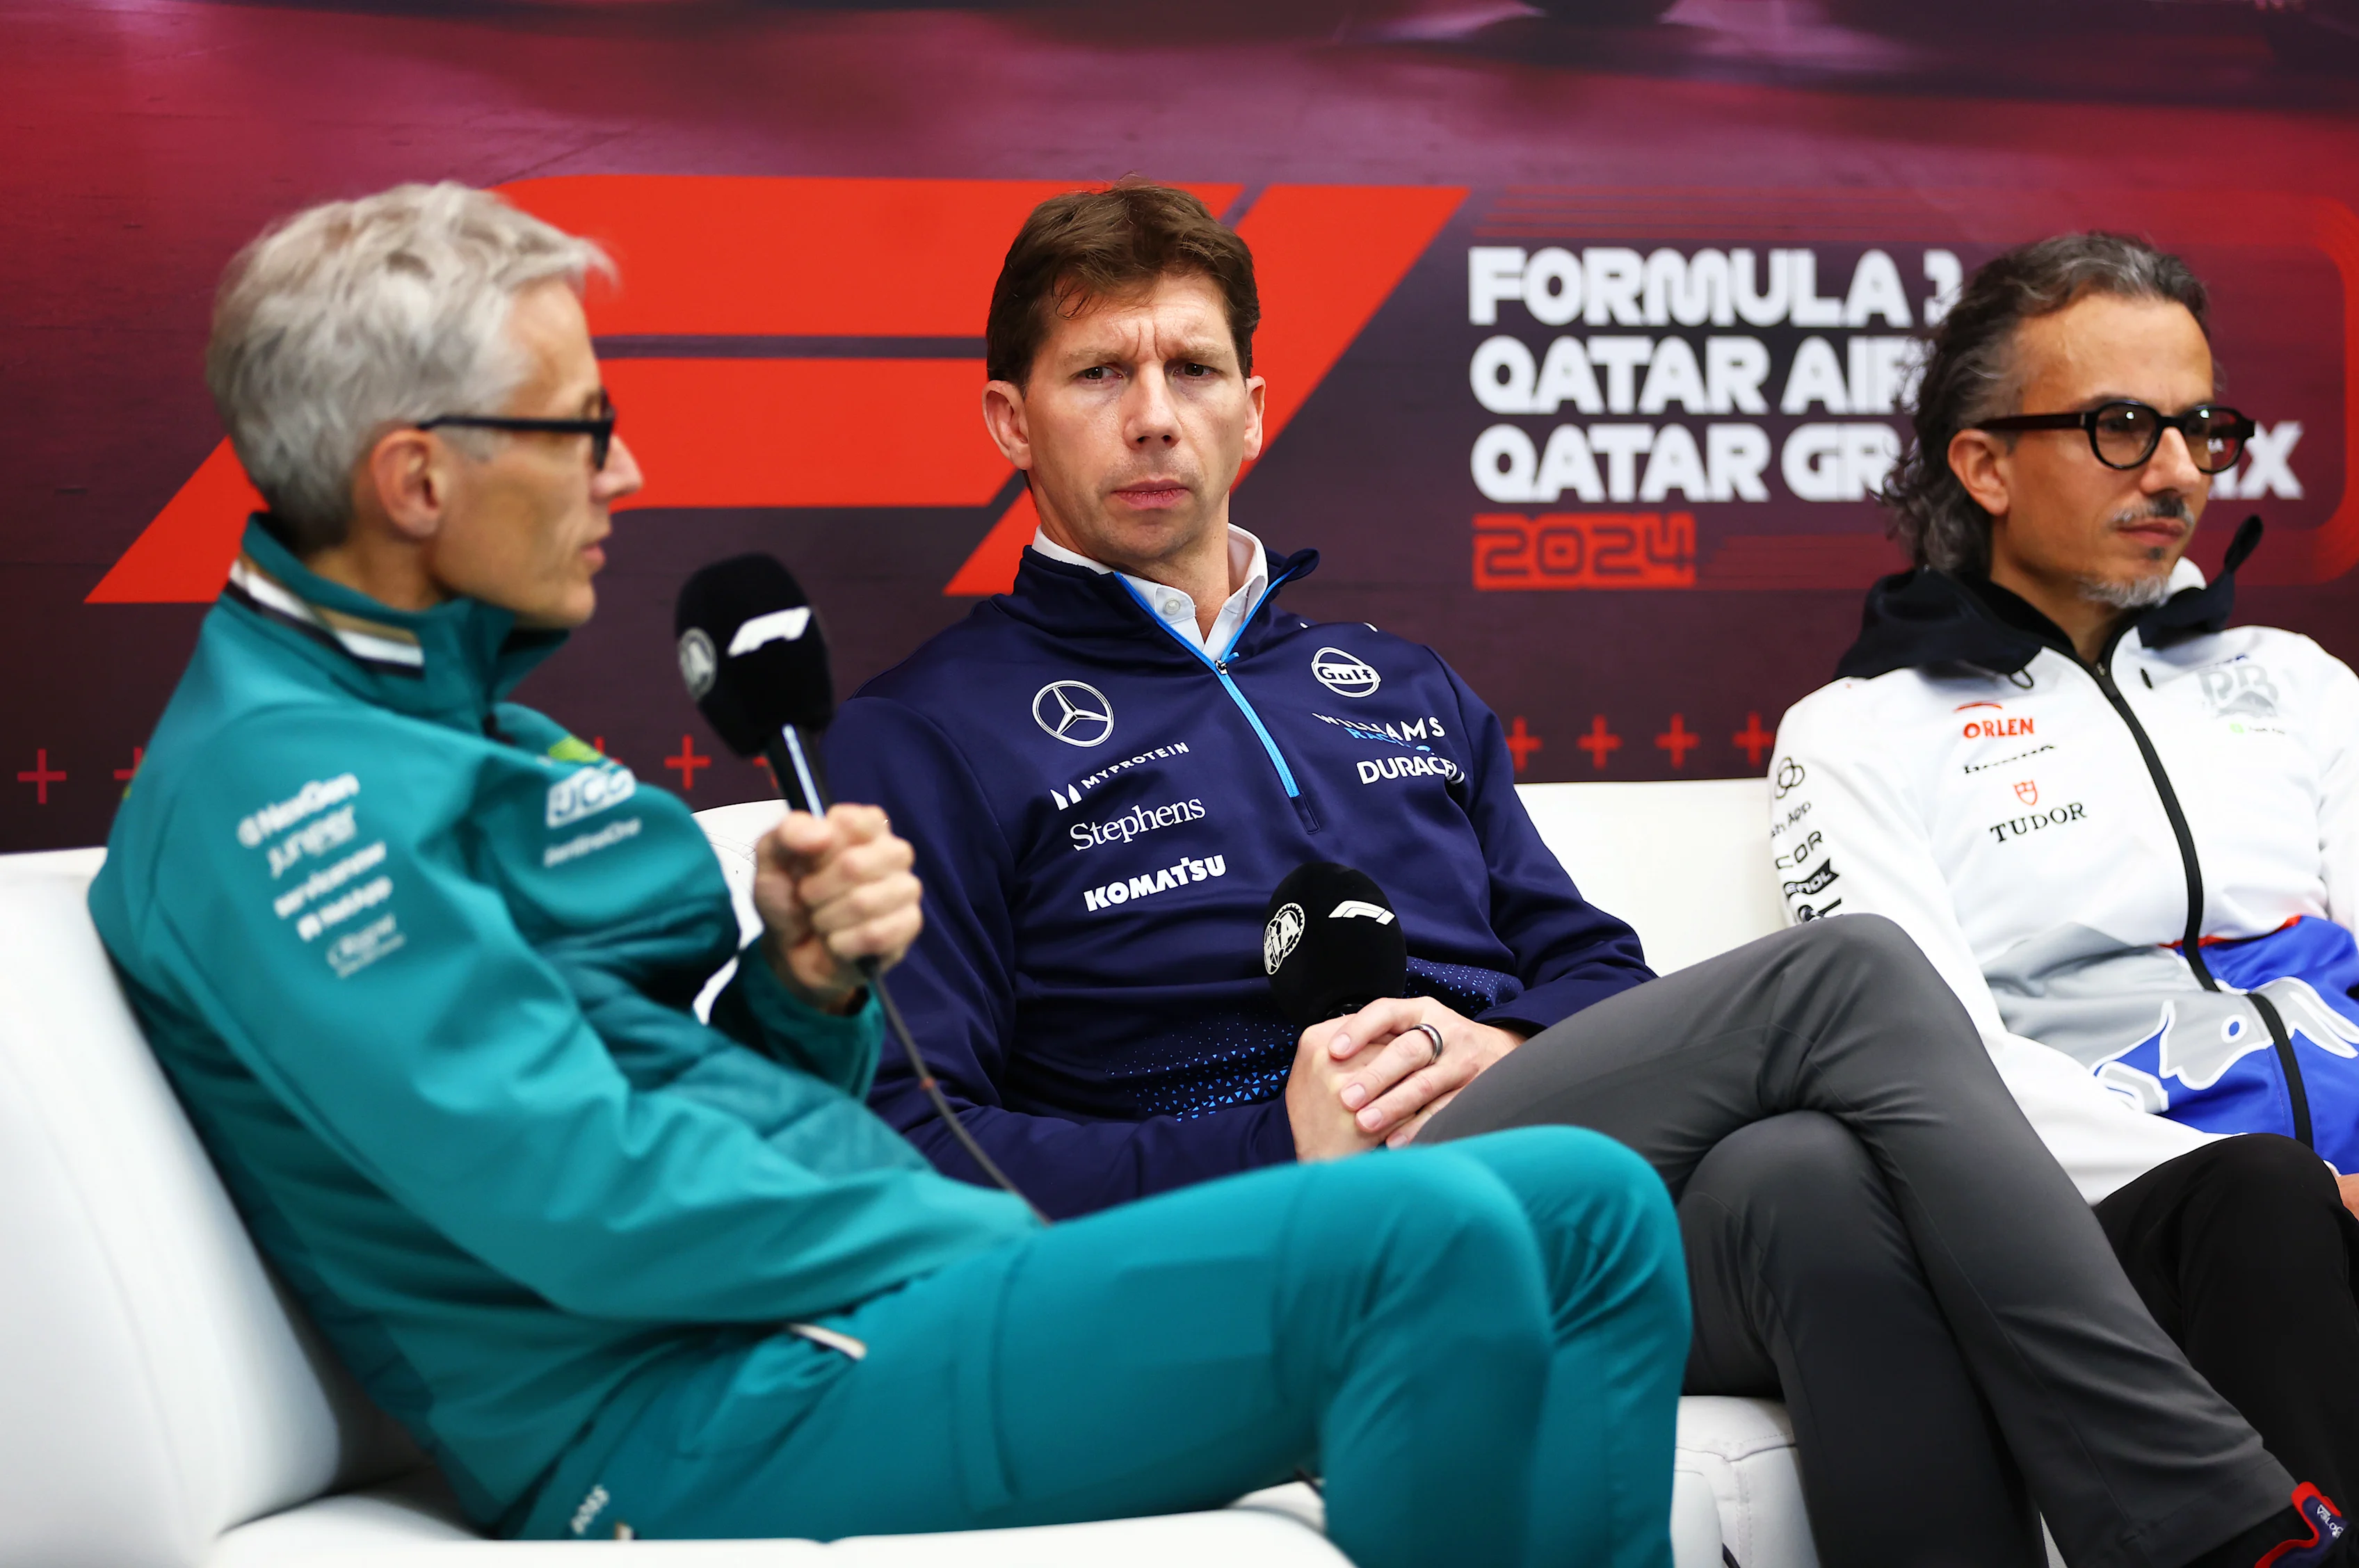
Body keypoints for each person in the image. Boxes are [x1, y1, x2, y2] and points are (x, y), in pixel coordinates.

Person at [85, 182, 1707, 1568]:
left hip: (784, 1317)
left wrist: (798, 992)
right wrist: (963, 1231)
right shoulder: (282, 795)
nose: (626, 471)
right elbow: (582, 1209)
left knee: (1596, 1207)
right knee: (1425, 1236)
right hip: (669, 1409)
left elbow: (660, 1090)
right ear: (417, 480)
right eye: (580, 425)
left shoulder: (462, 723)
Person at [825, 181, 2349, 1567]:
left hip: (1524, 1165)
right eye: (1101, 374)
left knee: (1800, 1181)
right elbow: (911, 1136)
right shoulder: (924, 734)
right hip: (1261, 1224)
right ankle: (2207, 1516)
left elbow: (1598, 981)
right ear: (1011, 422)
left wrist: (1504, 1047)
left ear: (1255, 411)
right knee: (1851, 974)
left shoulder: (1399, 683)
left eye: (1193, 371)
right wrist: (1271, 1141)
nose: (1154, 416)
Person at [1770, 232, 2359, 1526]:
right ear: (1981, 462)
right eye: (2117, 427)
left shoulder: (2301, 684)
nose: (2173, 473)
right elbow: (1926, 1063)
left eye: (2199, 427)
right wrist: (2308, 1190)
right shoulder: (1859, 732)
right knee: (2263, 1203)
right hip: (2118, 1223)